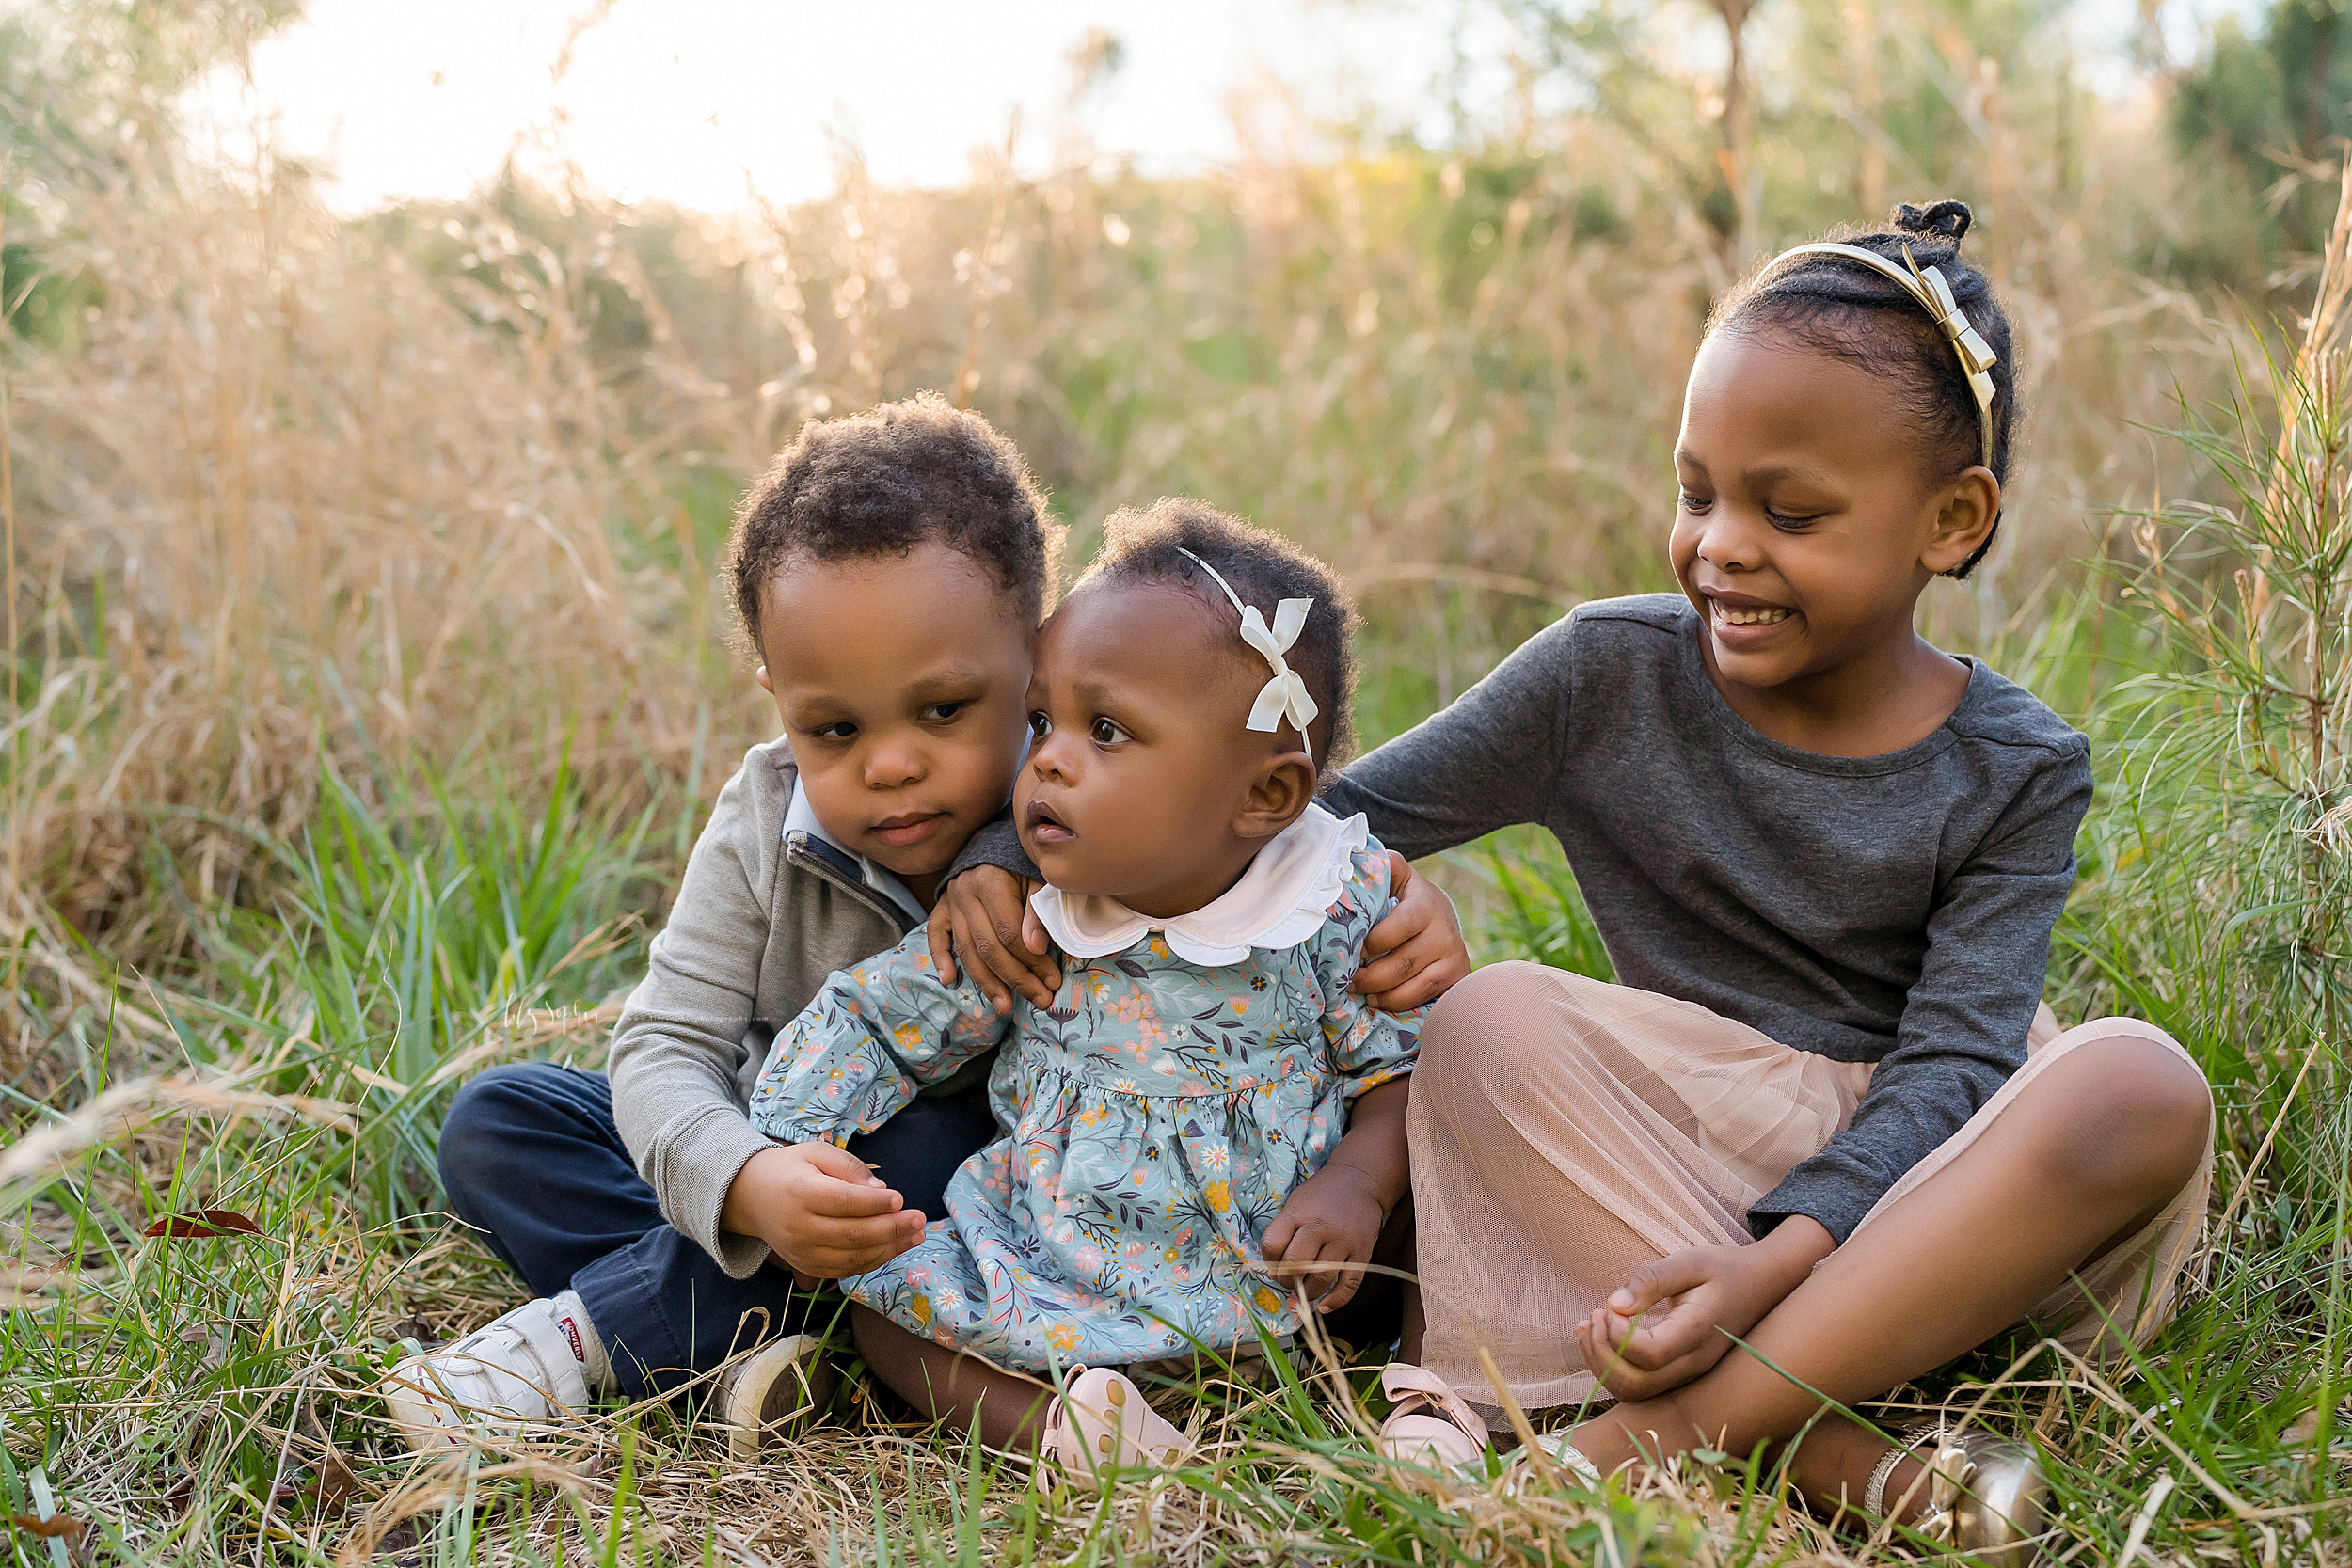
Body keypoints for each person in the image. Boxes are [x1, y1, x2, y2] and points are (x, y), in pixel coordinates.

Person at [948, 201, 2215, 1558]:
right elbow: (1297, 811)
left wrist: (1777, 1257)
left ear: (1950, 522)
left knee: (2136, 1083)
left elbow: (1957, 1059)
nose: (1722, 543)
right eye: (1697, 491)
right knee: (1488, 1021)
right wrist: (1003, 847)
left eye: (1790, 511)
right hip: (1674, 1162)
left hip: (1939, 1183)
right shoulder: (1607, 672)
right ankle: (1830, 1438)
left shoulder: (2018, 761)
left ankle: (1638, 1441)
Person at [379, 399, 1466, 1457]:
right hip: (786, 1141)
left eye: (944, 710)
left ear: (1031, 659)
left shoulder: (1089, 830)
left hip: (976, 1188)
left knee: (897, 1149)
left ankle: (617, 1334)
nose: (890, 762)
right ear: (779, 698)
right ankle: (769, 1324)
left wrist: (1408, 905)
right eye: (833, 726)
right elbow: (666, 1045)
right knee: (501, 1119)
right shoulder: (762, 820)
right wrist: (750, 1175)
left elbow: (1239, 820)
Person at [747, 499, 1427, 1465]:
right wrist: (787, 1139)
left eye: (1104, 728)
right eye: (1041, 720)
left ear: (1266, 794)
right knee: (889, 1323)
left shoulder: (1326, 907)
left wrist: (1359, 1181)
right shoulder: (1032, 913)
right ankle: (1084, 1438)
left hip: (1272, 1274)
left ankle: (1420, 1389)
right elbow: (883, 1015)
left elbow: (1403, 1060)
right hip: (1051, 1273)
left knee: (1440, 1208)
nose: (1047, 760)